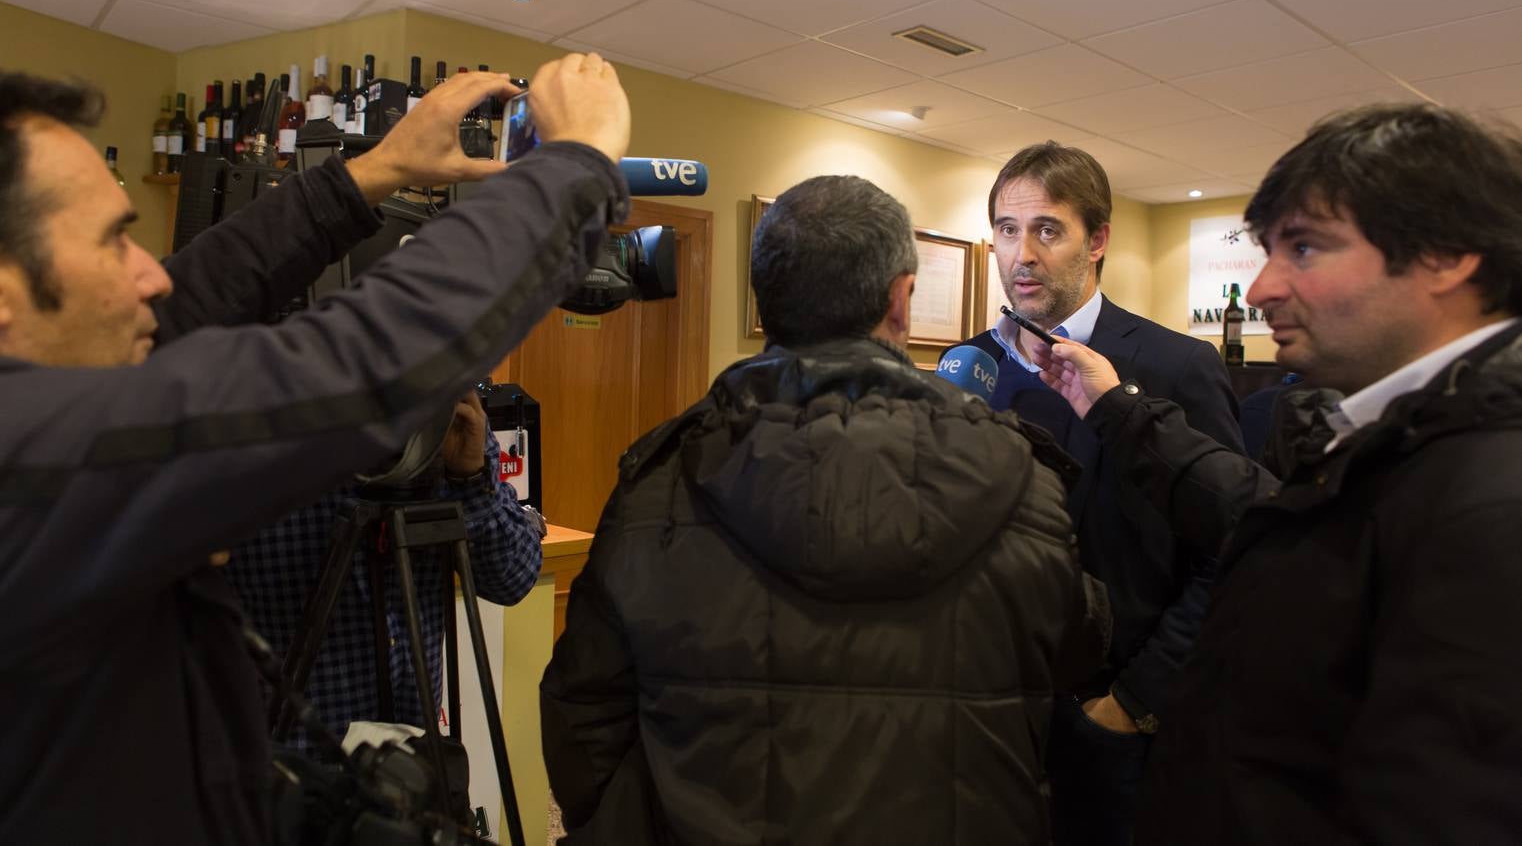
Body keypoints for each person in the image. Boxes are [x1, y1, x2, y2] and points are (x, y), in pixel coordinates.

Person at [0, 54, 630, 845]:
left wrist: (374, 172)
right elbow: (362, 362)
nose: (150, 279)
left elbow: (192, 296)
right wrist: (575, 167)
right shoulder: (33, 460)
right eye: (111, 241)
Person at [541, 174, 1109, 845]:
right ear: (902, 299)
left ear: (767, 298)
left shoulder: (656, 484)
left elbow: (582, 720)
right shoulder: (1017, 478)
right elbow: (1078, 650)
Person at [1031, 103, 1522, 845]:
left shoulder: (1492, 495)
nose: (1258, 292)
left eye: (1305, 249)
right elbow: (1248, 510)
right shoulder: (1389, 438)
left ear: (1446, 255)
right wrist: (1114, 408)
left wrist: (1138, 701)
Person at [950, 142, 1243, 844]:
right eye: (1008, 229)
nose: (1022, 254)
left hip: (1115, 722)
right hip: (985, 716)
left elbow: (1233, 549)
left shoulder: (1176, 365)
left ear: (1098, 240)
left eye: (1048, 230)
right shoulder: (969, 366)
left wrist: (1138, 701)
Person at [224, 390, 546, 755]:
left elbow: (514, 579)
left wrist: (470, 481)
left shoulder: (441, 413)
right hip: (284, 759)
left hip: (410, 761)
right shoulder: (245, 424)